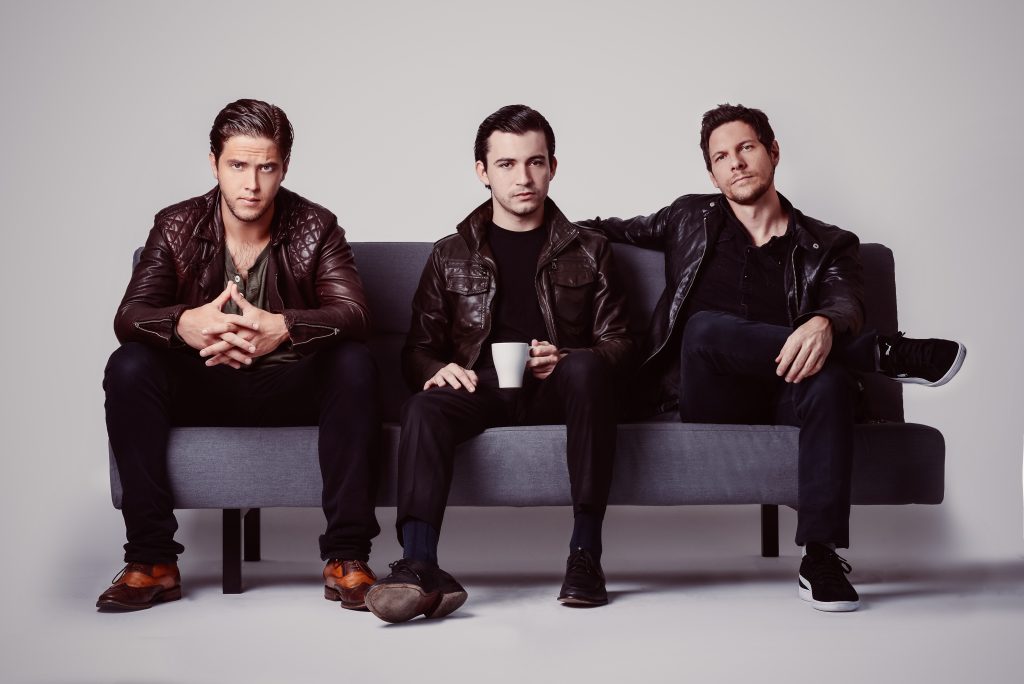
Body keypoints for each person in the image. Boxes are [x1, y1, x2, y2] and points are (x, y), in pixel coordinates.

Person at [580, 104, 966, 612]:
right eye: (722, 157)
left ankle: (820, 557)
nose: (736, 163)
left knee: (828, 380)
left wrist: (826, 324)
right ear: (712, 174)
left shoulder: (828, 244)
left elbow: (845, 302)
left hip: (790, 388)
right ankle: (880, 352)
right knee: (704, 327)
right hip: (710, 394)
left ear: (773, 151)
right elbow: (600, 229)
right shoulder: (687, 217)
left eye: (746, 148)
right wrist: (530, 227)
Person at [98, 99, 381, 612]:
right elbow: (129, 317)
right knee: (129, 366)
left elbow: (356, 313)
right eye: (237, 166)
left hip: (286, 387)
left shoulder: (315, 226)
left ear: (284, 167)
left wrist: (283, 328)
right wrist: (184, 324)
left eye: (266, 168)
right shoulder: (176, 225)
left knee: (353, 362)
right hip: (202, 384)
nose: (251, 184)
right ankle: (152, 561)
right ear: (214, 163)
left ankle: (347, 558)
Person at [363, 105, 634, 623]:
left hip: (560, 388)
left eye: (535, 162)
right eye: (507, 164)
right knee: (422, 407)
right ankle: (419, 565)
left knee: (587, 369)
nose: (523, 177)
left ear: (552, 167)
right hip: (481, 388)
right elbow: (417, 349)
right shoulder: (449, 254)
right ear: (482, 172)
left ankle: (585, 555)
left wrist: (569, 357)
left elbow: (620, 343)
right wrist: (437, 370)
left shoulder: (592, 250)